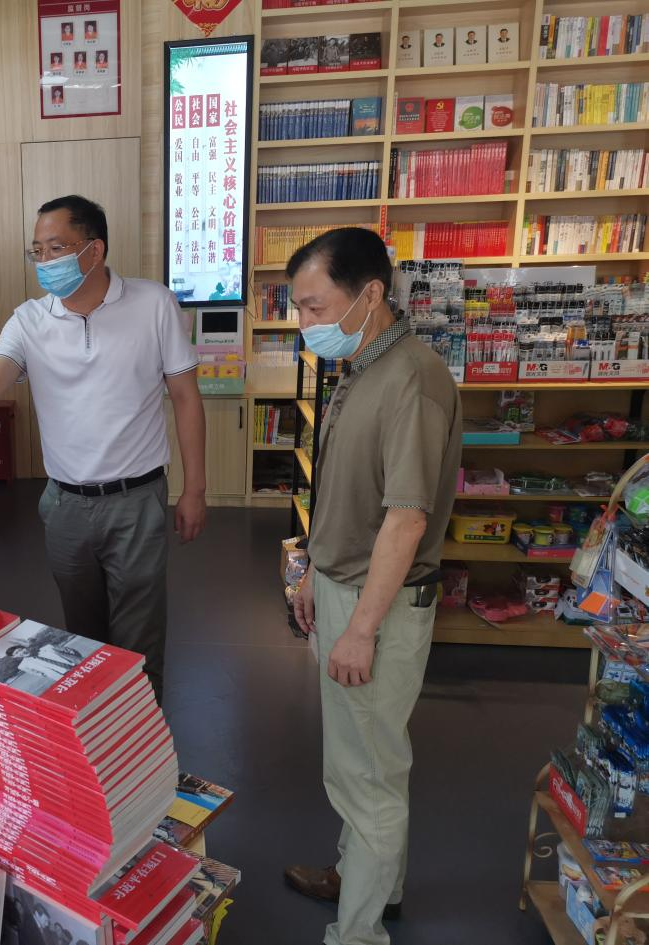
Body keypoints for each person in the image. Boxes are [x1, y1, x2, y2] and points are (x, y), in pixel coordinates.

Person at [0, 195, 207, 703]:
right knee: (80, 640)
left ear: (94, 250)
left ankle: (141, 735)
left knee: (140, 638)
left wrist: (195, 489)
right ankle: (92, 732)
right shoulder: (29, 320)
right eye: (37, 250)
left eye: (56, 248)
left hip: (136, 500)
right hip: (65, 505)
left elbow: (186, 397)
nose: (44, 261)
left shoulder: (154, 304)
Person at [282, 228, 461, 945]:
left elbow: (406, 518)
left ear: (371, 294)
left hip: (376, 604)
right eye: (299, 308)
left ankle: (356, 932)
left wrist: (360, 628)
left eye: (315, 306)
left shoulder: (411, 380)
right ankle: (368, 880)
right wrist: (314, 569)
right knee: (366, 758)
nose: (306, 323)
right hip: (343, 584)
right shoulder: (363, 363)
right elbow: (349, 492)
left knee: (367, 772)